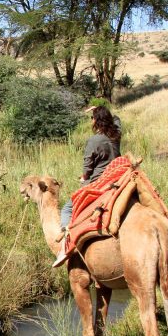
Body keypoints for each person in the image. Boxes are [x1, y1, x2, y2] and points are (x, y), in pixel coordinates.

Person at [55, 106, 122, 266]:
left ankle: (65, 245)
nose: (91, 120)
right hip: (116, 179)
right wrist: (101, 109)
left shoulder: (94, 140)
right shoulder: (116, 134)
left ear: (96, 121)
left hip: (99, 183)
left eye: (92, 118)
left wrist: (84, 178)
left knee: (67, 209)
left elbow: (87, 168)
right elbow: (118, 120)